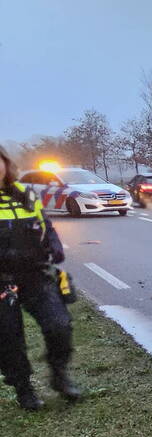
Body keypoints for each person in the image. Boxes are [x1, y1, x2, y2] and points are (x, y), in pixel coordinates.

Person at [0, 144, 80, 410]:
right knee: (9, 337)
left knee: (59, 325)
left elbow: (44, 224)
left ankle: (59, 375)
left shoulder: (24, 193)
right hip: (2, 280)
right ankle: (24, 389)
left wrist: (54, 245)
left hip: (35, 273)